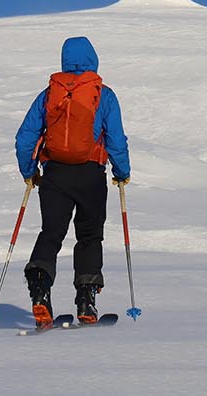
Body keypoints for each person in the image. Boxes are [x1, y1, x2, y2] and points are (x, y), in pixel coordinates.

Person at [15, 36, 131, 327]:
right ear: (93, 60)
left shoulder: (49, 94)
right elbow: (115, 138)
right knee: (89, 236)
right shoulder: (102, 95)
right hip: (91, 174)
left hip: (55, 174)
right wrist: (122, 171)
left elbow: (24, 138)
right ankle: (86, 299)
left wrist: (29, 171)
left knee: (51, 233)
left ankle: (40, 288)